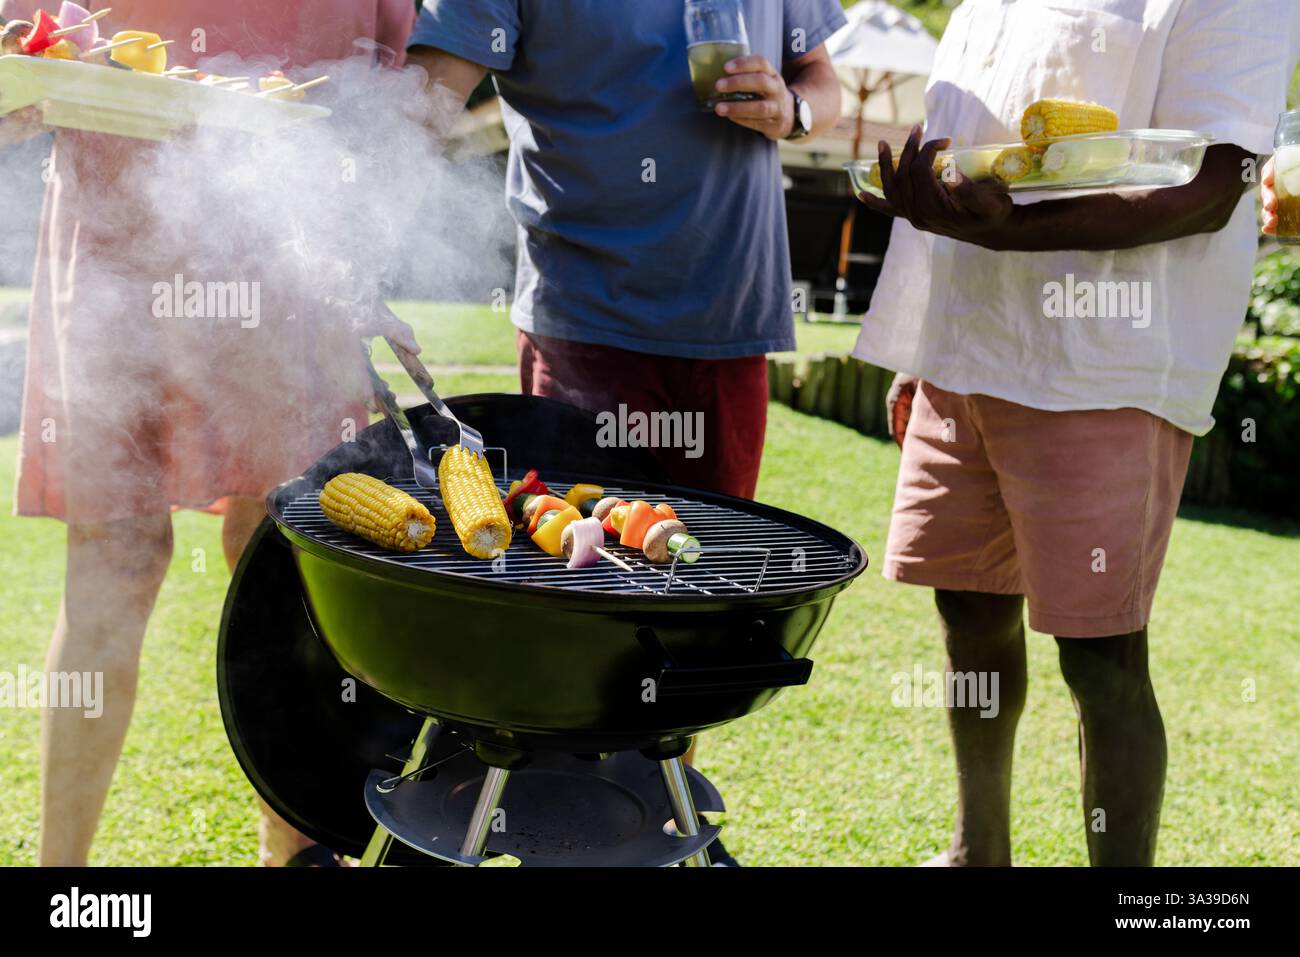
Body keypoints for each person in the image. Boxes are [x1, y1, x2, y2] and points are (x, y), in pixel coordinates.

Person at [852, 0, 1299, 866]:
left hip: (1105, 362)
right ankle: (977, 854)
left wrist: (1008, 230)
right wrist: (920, 345)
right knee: (967, 609)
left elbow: (1211, 188)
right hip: (967, 339)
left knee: (1101, 656)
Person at [1, 0, 418, 866]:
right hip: (113, 233)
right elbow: (24, 45)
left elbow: (379, 91)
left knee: (282, 553)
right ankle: (58, 876)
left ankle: (295, 853)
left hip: (286, 244)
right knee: (115, 554)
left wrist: (360, 263)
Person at [405, 0, 846, 501]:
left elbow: (820, 77)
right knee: (580, 543)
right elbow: (421, 107)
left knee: (713, 546)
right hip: (585, 327)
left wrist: (793, 110)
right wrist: (349, 259)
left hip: (732, 323)